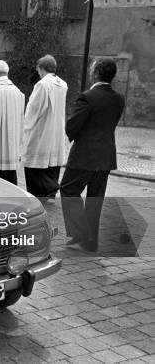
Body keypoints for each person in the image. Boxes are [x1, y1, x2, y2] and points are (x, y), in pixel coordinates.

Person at [61, 58, 125, 252]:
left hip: (84, 156)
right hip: (105, 156)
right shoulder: (119, 98)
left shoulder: (87, 97)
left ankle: (81, 234)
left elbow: (72, 126)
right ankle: (90, 242)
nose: (89, 71)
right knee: (95, 198)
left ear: (96, 72)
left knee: (68, 190)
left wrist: (73, 132)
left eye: (91, 68)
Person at [23, 55, 68, 201]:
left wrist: (26, 127)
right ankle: (50, 191)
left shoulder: (43, 85)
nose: (38, 73)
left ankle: (40, 192)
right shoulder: (63, 84)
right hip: (56, 129)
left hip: (41, 129)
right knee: (51, 161)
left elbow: (34, 109)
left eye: (38, 70)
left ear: (42, 68)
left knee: (34, 160)